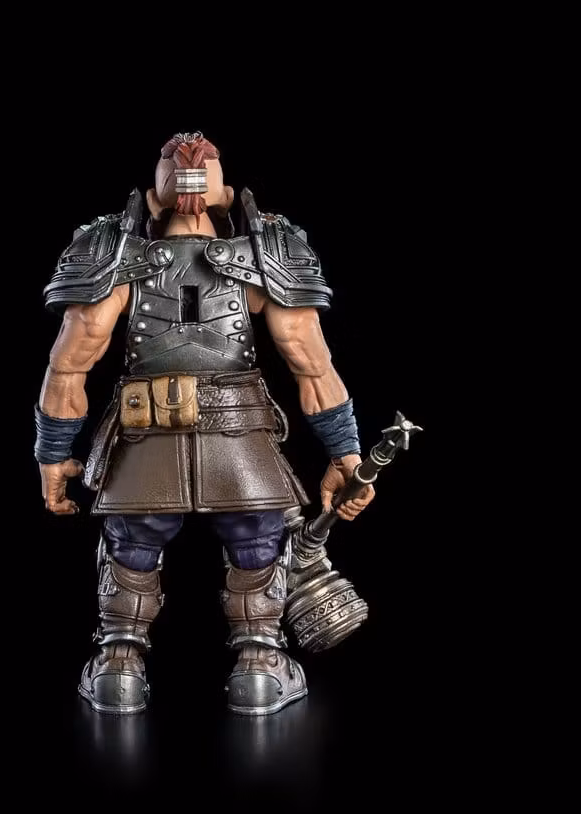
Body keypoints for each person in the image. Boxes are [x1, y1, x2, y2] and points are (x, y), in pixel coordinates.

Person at [35, 132, 374, 716]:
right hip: (239, 436)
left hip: (145, 435)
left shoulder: (111, 255)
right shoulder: (268, 253)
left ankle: (119, 666)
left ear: (156, 194)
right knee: (258, 539)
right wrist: (345, 453)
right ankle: (259, 666)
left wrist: (52, 455)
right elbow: (310, 363)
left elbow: (70, 363)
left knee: (133, 542)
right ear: (222, 193)